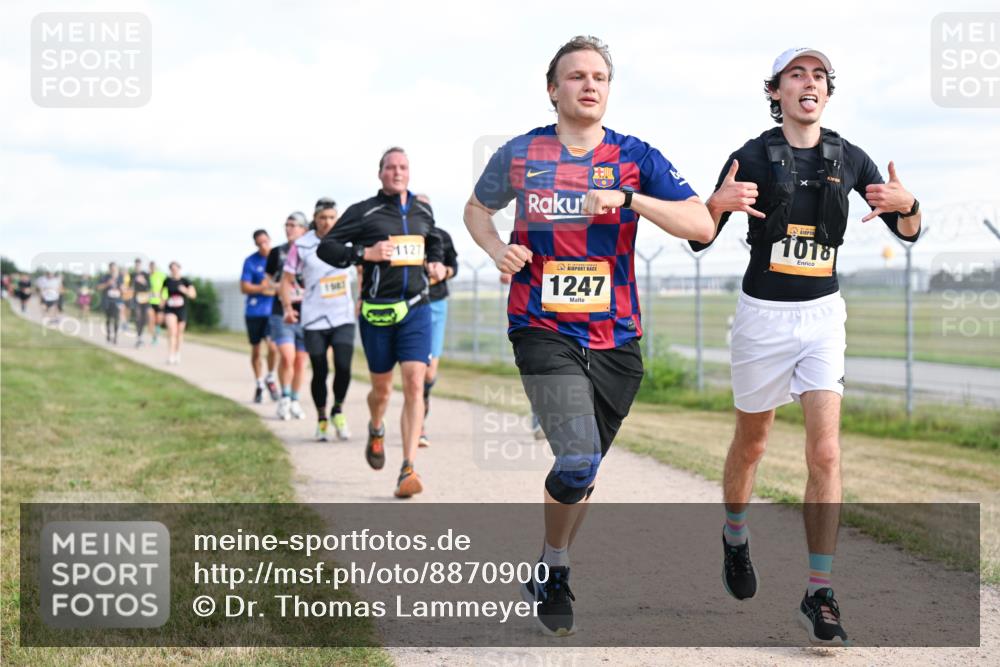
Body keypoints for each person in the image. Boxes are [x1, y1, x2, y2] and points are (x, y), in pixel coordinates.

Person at [463, 35, 713, 636]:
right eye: (576, 76)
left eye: (599, 75)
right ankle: (557, 567)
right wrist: (499, 249)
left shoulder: (636, 156)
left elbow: (701, 224)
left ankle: (552, 564)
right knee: (576, 457)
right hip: (541, 324)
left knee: (585, 468)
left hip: (617, 336)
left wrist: (629, 198)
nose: (590, 84)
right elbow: (476, 211)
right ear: (553, 89)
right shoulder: (521, 154)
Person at [694, 48, 922, 646]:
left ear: (827, 91)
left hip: (823, 316)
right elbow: (701, 234)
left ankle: (819, 590)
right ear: (776, 91)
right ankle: (735, 535)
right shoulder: (749, 157)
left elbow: (907, 229)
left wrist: (911, 206)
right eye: (797, 74)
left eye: (818, 75)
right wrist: (714, 207)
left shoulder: (849, 157)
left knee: (825, 454)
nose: (809, 83)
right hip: (762, 318)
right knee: (753, 445)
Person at [317, 147, 447, 498]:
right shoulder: (364, 212)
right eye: (391, 167)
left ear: (410, 171)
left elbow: (433, 240)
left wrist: (435, 263)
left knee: (415, 383)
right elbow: (326, 247)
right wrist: (364, 254)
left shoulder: (422, 210)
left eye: (403, 166)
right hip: (377, 313)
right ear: (380, 174)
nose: (397, 172)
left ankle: (408, 467)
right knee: (383, 391)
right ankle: (376, 427)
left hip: (417, 308)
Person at [284, 198, 355, 441]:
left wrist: (363, 298)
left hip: (343, 315)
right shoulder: (302, 246)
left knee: (344, 367)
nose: (327, 222)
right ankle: (322, 417)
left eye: (332, 217)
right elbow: (286, 280)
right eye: (323, 218)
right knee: (320, 370)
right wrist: (287, 306)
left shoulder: (347, 240)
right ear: (315, 219)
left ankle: (338, 410)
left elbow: (363, 268)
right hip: (313, 317)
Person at [418, 198, 459, 448]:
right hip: (411, 305)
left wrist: (446, 272)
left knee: (430, 372)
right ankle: (419, 425)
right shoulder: (403, 237)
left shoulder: (442, 236)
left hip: (436, 304)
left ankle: (421, 397)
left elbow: (454, 265)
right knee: (416, 369)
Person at [264, 212, 310, 420]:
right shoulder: (277, 253)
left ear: (304, 229)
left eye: (294, 225)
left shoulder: (312, 251)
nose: (289, 228)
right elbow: (267, 283)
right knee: (287, 357)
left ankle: (294, 399)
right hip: (281, 310)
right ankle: (283, 397)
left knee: (301, 361)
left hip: (307, 312)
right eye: (287, 225)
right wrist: (283, 286)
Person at [241, 229, 280, 403]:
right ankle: (259, 384)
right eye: (260, 243)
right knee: (256, 350)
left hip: (272, 311)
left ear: (270, 240)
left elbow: (282, 284)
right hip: (254, 312)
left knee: (273, 347)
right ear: (256, 244)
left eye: (266, 241)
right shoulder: (250, 261)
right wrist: (263, 288)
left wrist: (272, 288)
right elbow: (244, 287)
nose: (264, 246)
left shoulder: (278, 258)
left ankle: (270, 377)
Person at [161, 261, 197, 364]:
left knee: (179, 333)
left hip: (181, 309)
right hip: (170, 308)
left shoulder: (185, 281)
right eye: (172, 269)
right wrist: (162, 301)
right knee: (172, 331)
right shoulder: (167, 281)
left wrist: (185, 290)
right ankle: (170, 354)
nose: (174, 271)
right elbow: (162, 293)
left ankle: (177, 353)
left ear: (179, 269)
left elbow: (193, 295)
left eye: (175, 268)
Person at [97, 263, 125, 344]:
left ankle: (115, 337)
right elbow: (98, 287)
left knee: (116, 319)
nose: (113, 270)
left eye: (114, 268)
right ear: (109, 269)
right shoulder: (105, 277)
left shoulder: (120, 277)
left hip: (117, 301)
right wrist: (107, 284)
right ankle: (108, 335)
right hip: (108, 301)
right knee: (108, 319)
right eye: (112, 269)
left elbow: (123, 289)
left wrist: (122, 288)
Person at [130, 258, 152, 347]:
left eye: (139, 265)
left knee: (144, 318)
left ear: (141, 265)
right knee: (138, 316)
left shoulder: (145, 274)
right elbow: (129, 286)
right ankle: (139, 337)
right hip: (136, 297)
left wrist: (143, 281)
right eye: (136, 265)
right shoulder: (132, 274)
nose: (137, 266)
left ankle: (141, 335)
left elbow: (150, 286)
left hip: (145, 297)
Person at [148, 261, 167, 345]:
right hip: (149, 302)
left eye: (154, 267)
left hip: (159, 301)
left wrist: (164, 299)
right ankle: (154, 338)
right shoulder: (147, 276)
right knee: (151, 320)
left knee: (158, 320)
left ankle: (157, 332)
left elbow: (166, 288)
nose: (152, 269)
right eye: (151, 267)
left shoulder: (161, 276)